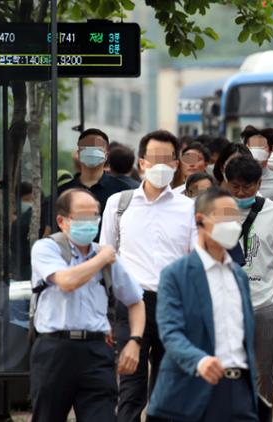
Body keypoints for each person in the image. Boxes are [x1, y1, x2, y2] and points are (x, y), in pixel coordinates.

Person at [100, 130, 197, 422]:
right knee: (130, 388)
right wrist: (104, 312)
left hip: (174, 305)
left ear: (177, 164)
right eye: (155, 159)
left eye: (169, 159)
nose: (162, 165)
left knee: (168, 391)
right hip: (130, 304)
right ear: (141, 163)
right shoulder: (119, 204)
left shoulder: (190, 208)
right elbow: (106, 257)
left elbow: (195, 263)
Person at [30, 188, 145, 422]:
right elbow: (67, 281)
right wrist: (101, 258)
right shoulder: (47, 248)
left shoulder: (107, 257)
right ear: (62, 221)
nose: (90, 223)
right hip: (54, 349)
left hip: (96, 351)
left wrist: (135, 340)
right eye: (83, 217)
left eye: (94, 216)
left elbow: (135, 300)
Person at [147, 187, 258, 421]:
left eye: (235, 217)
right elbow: (170, 332)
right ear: (200, 220)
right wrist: (199, 360)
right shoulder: (176, 274)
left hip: (239, 392)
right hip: (191, 389)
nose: (233, 224)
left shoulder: (239, 276)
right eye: (225, 216)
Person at [224, 155, 273, 411]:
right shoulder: (216, 210)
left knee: (263, 371)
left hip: (265, 303)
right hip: (225, 304)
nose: (241, 192)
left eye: (248, 186)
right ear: (225, 181)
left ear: (259, 183)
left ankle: (260, 415)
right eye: (235, 186)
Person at [58, 129, 131, 239]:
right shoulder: (63, 192)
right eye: (87, 148)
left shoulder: (122, 191)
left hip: (109, 254)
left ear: (106, 155)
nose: (91, 152)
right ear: (78, 154)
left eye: (97, 148)